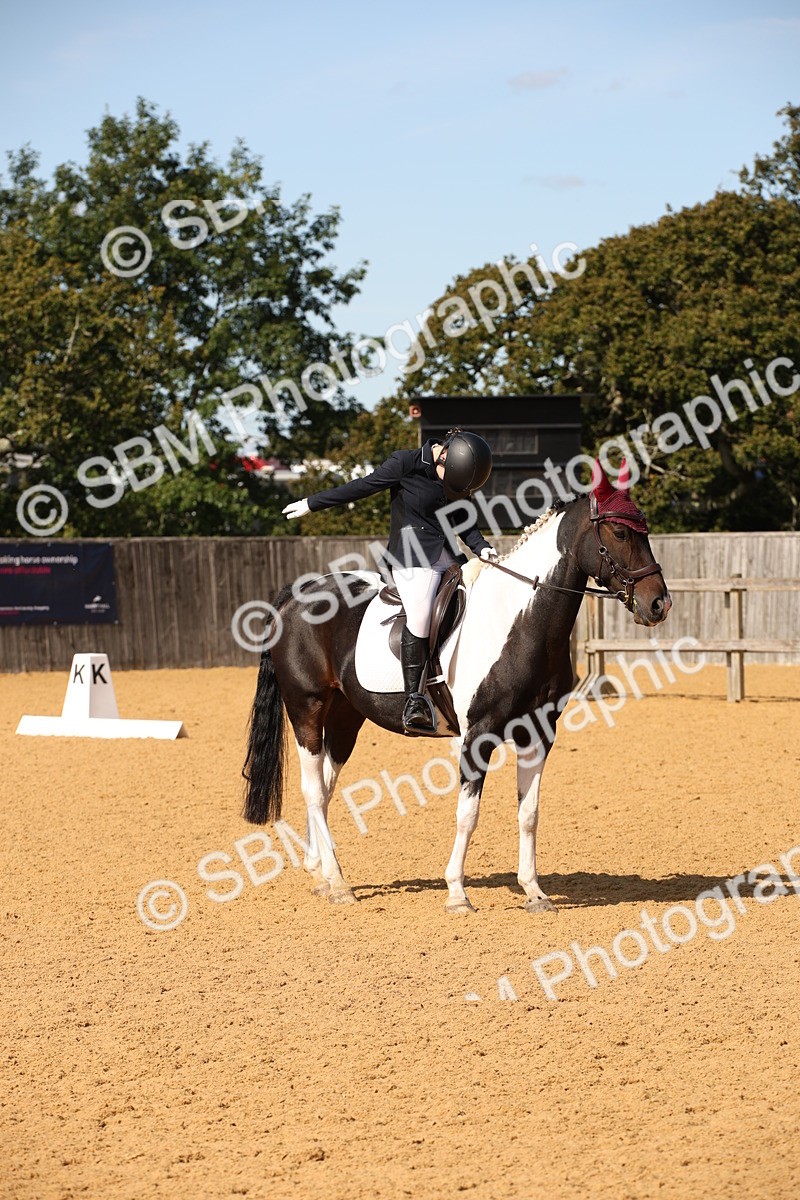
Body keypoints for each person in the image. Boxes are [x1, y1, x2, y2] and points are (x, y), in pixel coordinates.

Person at [283, 428, 498, 732]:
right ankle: (415, 699)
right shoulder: (405, 464)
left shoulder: (457, 473)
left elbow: (465, 522)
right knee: (421, 617)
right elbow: (362, 487)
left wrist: (483, 548)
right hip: (410, 558)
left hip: (448, 557)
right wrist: (312, 503)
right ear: (444, 453)